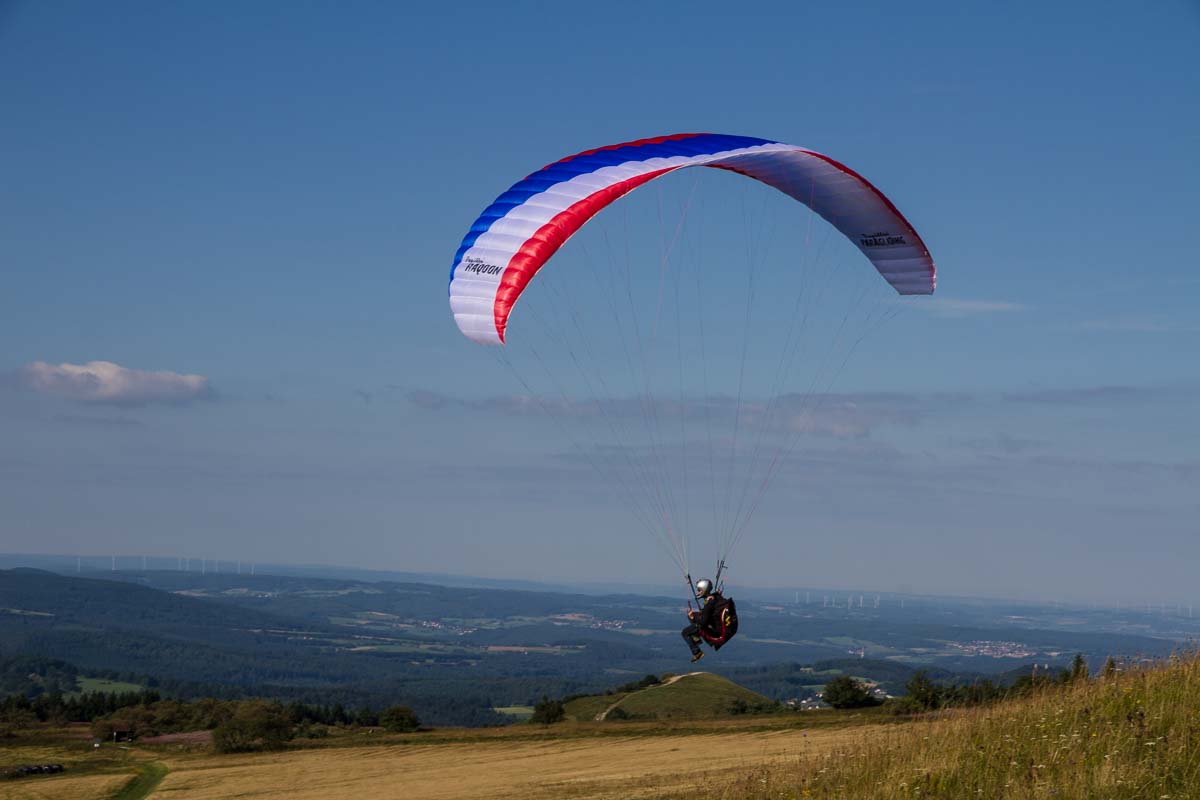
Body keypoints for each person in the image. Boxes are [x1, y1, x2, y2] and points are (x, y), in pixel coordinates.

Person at [681, 578, 737, 662]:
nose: (698, 592)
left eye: (699, 590)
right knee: (695, 616)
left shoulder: (709, 604)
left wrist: (692, 618)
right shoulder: (715, 597)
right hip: (725, 628)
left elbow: (702, 623)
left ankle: (697, 652)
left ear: (704, 590)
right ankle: (696, 637)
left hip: (719, 636)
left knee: (685, 633)